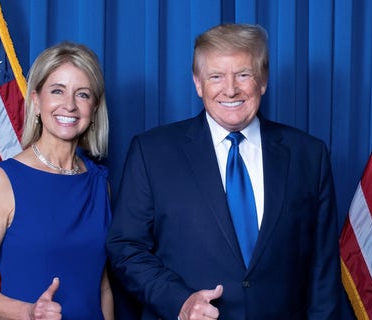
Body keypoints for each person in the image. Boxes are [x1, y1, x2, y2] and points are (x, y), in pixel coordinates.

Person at [106, 23, 342, 319]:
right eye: (216, 76)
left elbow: (323, 268)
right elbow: (126, 248)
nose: (230, 89)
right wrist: (179, 301)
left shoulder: (309, 155)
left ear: (263, 81)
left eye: (243, 75)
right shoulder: (152, 152)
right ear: (198, 83)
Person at [0, 42, 113, 320]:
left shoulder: (99, 183)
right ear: (36, 101)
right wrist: (29, 312)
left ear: (94, 108)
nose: (69, 104)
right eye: (57, 91)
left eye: (82, 94)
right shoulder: (3, 181)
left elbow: (102, 287)